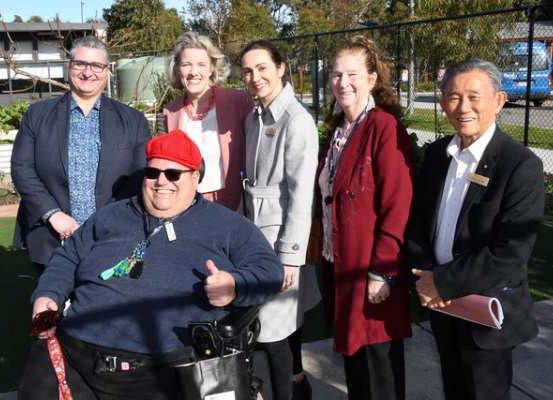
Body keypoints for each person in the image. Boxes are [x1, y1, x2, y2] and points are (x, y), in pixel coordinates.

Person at [18, 130, 283, 400]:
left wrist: (234, 287)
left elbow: (270, 271)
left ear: (195, 177)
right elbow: (67, 257)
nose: (161, 181)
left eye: (173, 174)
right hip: (77, 351)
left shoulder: (227, 225)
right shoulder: (110, 216)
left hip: (164, 368)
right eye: (152, 173)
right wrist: (48, 295)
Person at [405, 59, 544, 400]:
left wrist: (442, 281)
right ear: (443, 104)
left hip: (487, 313)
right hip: (442, 306)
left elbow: (510, 252)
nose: (463, 107)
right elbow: (419, 221)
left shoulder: (520, 165)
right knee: (454, 389)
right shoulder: (437, 154)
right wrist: (425, 277)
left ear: (498, 101)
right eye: (454, 97)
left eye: (473, 97)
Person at [317, 35, 413, 400]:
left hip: (372, 272)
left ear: (372, 79)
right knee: (356, 368)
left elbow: (397, 204)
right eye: (337, 74)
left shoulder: (383, 127)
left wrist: (383, 270)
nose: (343, 82)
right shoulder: (338, 132)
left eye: (352, 74)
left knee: (379, 372)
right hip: (340, 268)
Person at [11, 36, 150, 271]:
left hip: (113, 236)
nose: (88, 72)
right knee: (53, 294)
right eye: (80, 64)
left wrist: (107, 221)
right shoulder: (37, 115)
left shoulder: (133, 121)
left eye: (96, 65)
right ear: (69, 66)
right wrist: (53, 215)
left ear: (106, 71)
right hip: (52, 236)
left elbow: (140, 175)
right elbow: (22, 169)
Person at [240, 40, 320, 400]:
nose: (254, 77)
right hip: (254, 237)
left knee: (275, 333)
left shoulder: (296, 120)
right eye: (247, 71)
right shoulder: (254, 117)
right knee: (274, 329)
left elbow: (302, 194)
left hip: (279, 240)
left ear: (281, 67)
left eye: (262, 68)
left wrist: (290, 255)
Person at [163, 31, 253, 211]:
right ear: (177, 69)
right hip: (187, 205)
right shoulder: (170, 112)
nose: (193, 72)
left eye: (201, 64)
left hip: (233, 205)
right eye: (186, 65)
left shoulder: (238, 102)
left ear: (212, 68)